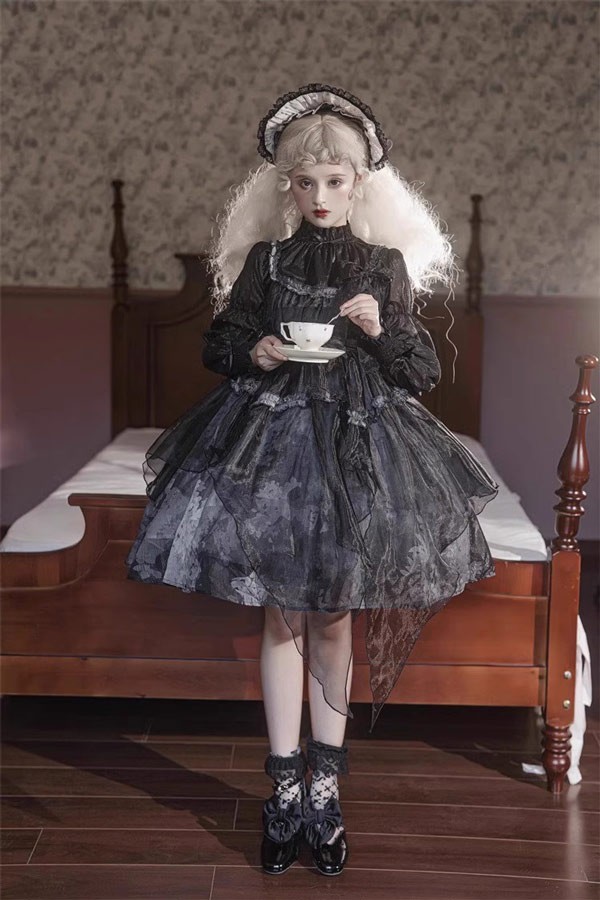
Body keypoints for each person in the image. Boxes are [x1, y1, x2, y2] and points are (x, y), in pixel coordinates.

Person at [126, 83, 499, 877]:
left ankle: (325, 790)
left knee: (333, 617)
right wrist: (257, 350)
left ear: (360, 184)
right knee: (281, 616)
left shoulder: (383, 266)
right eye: (306, 182)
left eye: (335, 180)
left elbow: (419, 371)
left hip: (356, 444)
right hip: (274, 442)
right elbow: (220, 343)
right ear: (285, 187)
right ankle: (285, 788)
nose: (321, 196)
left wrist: (376, 328)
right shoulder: (267, 261)